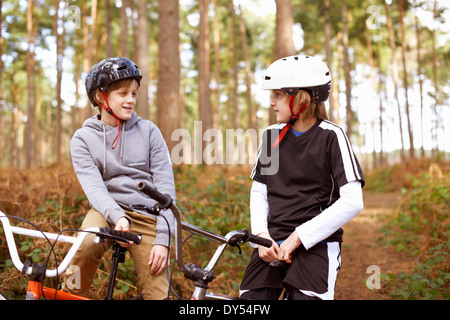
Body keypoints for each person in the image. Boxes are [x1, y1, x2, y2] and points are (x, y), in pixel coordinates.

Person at [239, 55, 364, 300]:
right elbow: (259, 191)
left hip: (316, 242)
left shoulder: (332, 136)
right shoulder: (270, 137)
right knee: (251, 300)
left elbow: (353, 201)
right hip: (272, 242)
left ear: (301, 98)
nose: (272, 103)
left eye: (278, 95)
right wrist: (261, 235)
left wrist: (299, 237)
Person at [63, 57, 176, 300]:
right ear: (100, 98)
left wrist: (163, 240)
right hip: (106, 209)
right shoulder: (82, 139)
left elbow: (167, 190)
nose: (131, 100)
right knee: (83, 246)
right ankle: (68, 295)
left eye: (134, 93)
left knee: (158, 291)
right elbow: (94, 188)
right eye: (123, 93)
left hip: (148, 214)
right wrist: (117, 216)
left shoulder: (149, 131)